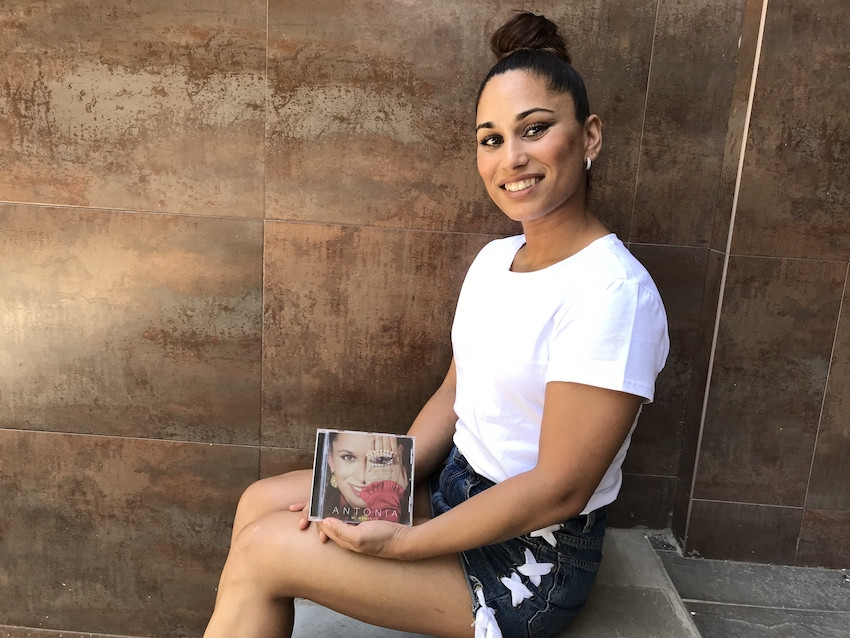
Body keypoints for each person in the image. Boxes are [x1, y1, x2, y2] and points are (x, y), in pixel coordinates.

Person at [203, 11, 669, 638]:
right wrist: (378, 486)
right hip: (455, 489)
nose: (512, 158)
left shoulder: (613, 294)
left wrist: (400, 542)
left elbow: (560, 490)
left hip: (532, 557)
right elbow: (455, 392)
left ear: (589, 137)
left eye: (535, 130)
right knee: (260, 502)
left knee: (268, 550)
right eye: (491, 139)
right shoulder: (495, 260)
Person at [314, 431, 411, 523]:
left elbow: (384, 534)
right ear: (331, 459)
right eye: (348, 457)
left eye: (380, 459)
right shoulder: (316, 506)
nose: (362, 477)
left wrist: (385, 497)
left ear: (400, 459)